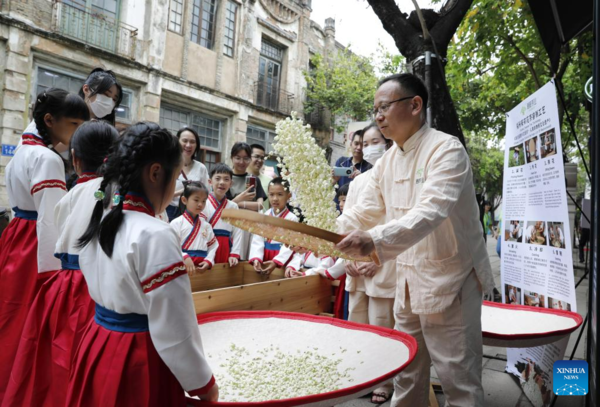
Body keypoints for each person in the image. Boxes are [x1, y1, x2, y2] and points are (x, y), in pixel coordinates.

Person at [335, 73, 495, 407]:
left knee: (458, 379)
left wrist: (373, 240)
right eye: (374, 109)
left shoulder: (446, 149)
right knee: (406, 373)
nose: (377, 117)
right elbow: (365, 210)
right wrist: (324, 233)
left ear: (415, 105)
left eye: (384, 107)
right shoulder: (389, 160)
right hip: (406, 282)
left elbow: (431, 211)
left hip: (449, 280)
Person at [68, 124, 217, 406]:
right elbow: (175, 324)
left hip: (98, 341)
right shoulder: (156, 234)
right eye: (174, 180)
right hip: (138, 357)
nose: (172, 190)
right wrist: (202, 383)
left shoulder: (103, 217)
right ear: (156, 173)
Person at [3, 121, 118, 407]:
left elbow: (53, 238)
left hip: (66, 291)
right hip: (103, 292)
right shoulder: (123, 196)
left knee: (54, 366)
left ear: (75, 159)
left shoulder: (68, 197)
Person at [0, 88, 89, 401]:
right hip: (35, 242)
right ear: (50, 121)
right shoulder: (48, 158)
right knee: (33, 320)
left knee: (10, 315)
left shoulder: (24, 150)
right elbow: (51, 219)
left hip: (17, 235)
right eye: (75, 125)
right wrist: (55, 274)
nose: (79, 133)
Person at [317, 123, 396, 404]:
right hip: (355, 264)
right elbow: (348, 220)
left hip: (383, 262)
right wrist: (347, 257)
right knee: (357, 321)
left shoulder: (395, 177)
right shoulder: (359, 180)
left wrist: (380, 258)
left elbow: (397, 226)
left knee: (382, 322)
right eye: (365, 141)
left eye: (377, 141)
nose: (369, 146)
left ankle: (385, 380)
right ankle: (361, 375)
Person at [249, 177, 298, 278]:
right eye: (271, 194)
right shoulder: (264, 216)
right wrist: (257, 258)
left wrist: (276, 262)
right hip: (265, 256)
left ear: (288, 196)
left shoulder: (292, 218)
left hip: (282, 259)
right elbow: (257, 240)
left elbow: (289, 246)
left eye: (280, 194)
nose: (275, 198)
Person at [227, 142, 267, 259]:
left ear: (249, 160)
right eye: (237, 158)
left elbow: (260, 205)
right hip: (232, 225)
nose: (241, 162)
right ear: (232, 158)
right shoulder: (226, 178)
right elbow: (224, 206)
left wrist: (238, 202)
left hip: (251, 225)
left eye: (245, 158)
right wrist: (242, 201)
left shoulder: (254, 179)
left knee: (250, 256)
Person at [170, 181, 218, 271]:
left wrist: (209, 260)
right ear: (184, 200)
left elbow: (213, 245)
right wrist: (184, 256)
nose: (200, 204)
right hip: (182, 266)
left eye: (203, 201)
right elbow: (170, 246)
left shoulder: (206, 226)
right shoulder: (176, 223)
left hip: (202, 268)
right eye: (196, 200)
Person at [166, 127, 210, 221]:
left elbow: (207, 193)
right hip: (169, 210)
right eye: (185, 141)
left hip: (192, 212)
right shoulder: (169, 165)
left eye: (192, 142)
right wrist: (182, 191)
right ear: (178, 142)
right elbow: (161, 193)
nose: (188, 145)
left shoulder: (201, 168)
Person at [204, 163, 242, 266]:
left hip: (225, 246)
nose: (222, 182)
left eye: (226, 179)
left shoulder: (233, 206)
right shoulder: (204, 203)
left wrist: (234, 253)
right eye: (218, 178)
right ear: (210, 181)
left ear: (231, 183)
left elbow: (237, 232)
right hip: (206, 245)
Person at [248, 144, 273, 211]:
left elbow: (272, 206)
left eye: (262, 158)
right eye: (256, 156)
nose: (259, 160)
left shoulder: (269, 180)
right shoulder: (241, 177)